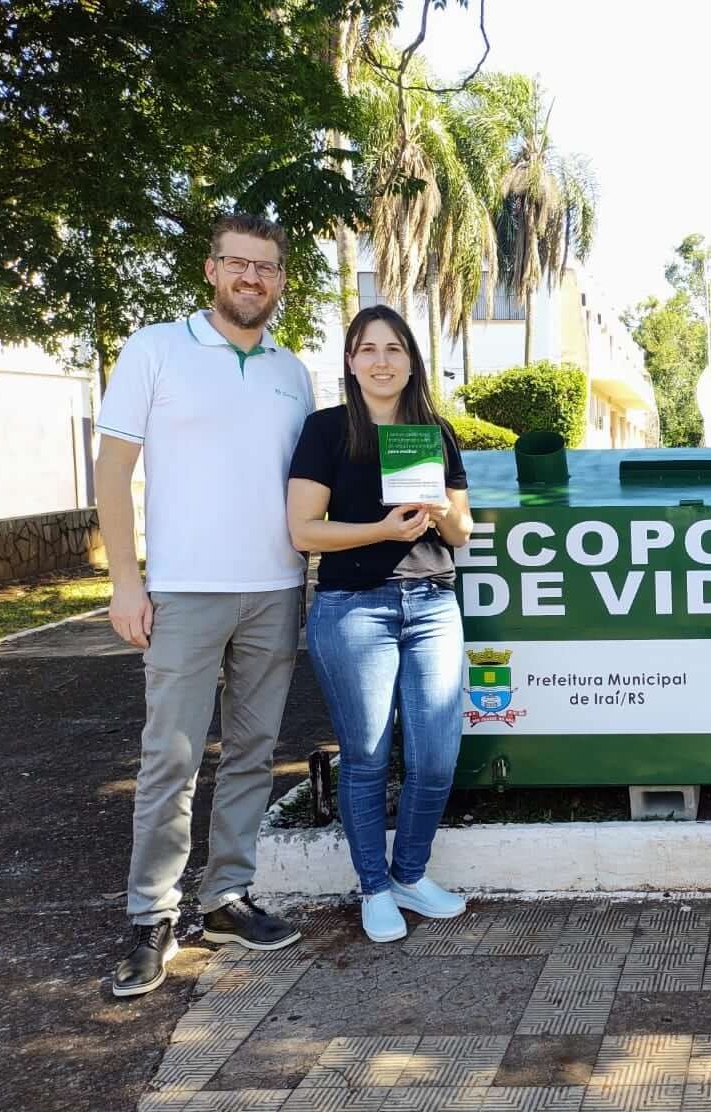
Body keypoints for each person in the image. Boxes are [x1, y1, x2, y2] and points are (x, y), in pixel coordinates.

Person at [95, 213, 314, 998]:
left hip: (277, 588)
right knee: (172, 756)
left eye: (267, 268)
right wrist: (127, 578)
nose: (253, 279)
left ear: (281, 280)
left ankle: (225, 896)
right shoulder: (156, 348)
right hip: (185, 590)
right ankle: (150, 914)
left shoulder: (294, 371)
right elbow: (113, 470)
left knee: (254, 749)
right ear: (211, 269)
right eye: (239, 264)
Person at [287, 305, 473, 943]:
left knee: (437, 757)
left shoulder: (436, 432)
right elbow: (304, 529)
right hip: (353, 608)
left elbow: (462, 532)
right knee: (365, 757)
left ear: (412, 361)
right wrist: (382, 530)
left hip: (432, 603)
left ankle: (409, 873)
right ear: (350, 361)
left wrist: (440, 509)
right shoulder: (326, 430)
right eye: (368, 349)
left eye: (394, 348)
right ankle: (373, 887)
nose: (382, 360)